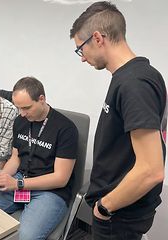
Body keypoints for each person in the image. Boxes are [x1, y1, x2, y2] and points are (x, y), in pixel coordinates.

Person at [70, 2, 167, 239]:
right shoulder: (135, 75)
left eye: (81, 49)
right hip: (118, 210)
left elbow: (151, 170)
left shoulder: (134, 84)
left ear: (98, 38)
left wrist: (104, 207)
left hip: (118, 215)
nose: (82, 58)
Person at [0, 77, 78, 240]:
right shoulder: (20, 121)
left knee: (27, 237)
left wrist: (18, 183)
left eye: (26, 107)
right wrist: (2, 177)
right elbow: (15, 158)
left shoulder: (66, 129)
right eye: (18, 107)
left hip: (50, 191)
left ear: (42, 99)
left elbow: (61, 178)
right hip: (21, 181)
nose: (22, 113)